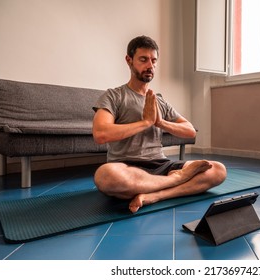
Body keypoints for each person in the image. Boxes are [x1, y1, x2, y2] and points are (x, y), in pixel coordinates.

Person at [92, 35, 227, 213]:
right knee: (105, 177)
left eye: (153, 60)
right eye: (143, 59)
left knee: (218, 170)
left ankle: (155, 195)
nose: (150, 65)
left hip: (161, 164)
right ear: (129, 60)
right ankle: (175, 181)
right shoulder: (114, 96)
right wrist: (145, 122)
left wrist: (160, 123)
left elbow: (190, 131)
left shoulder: (159, 101)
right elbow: (101, 134)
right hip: (126, 166)